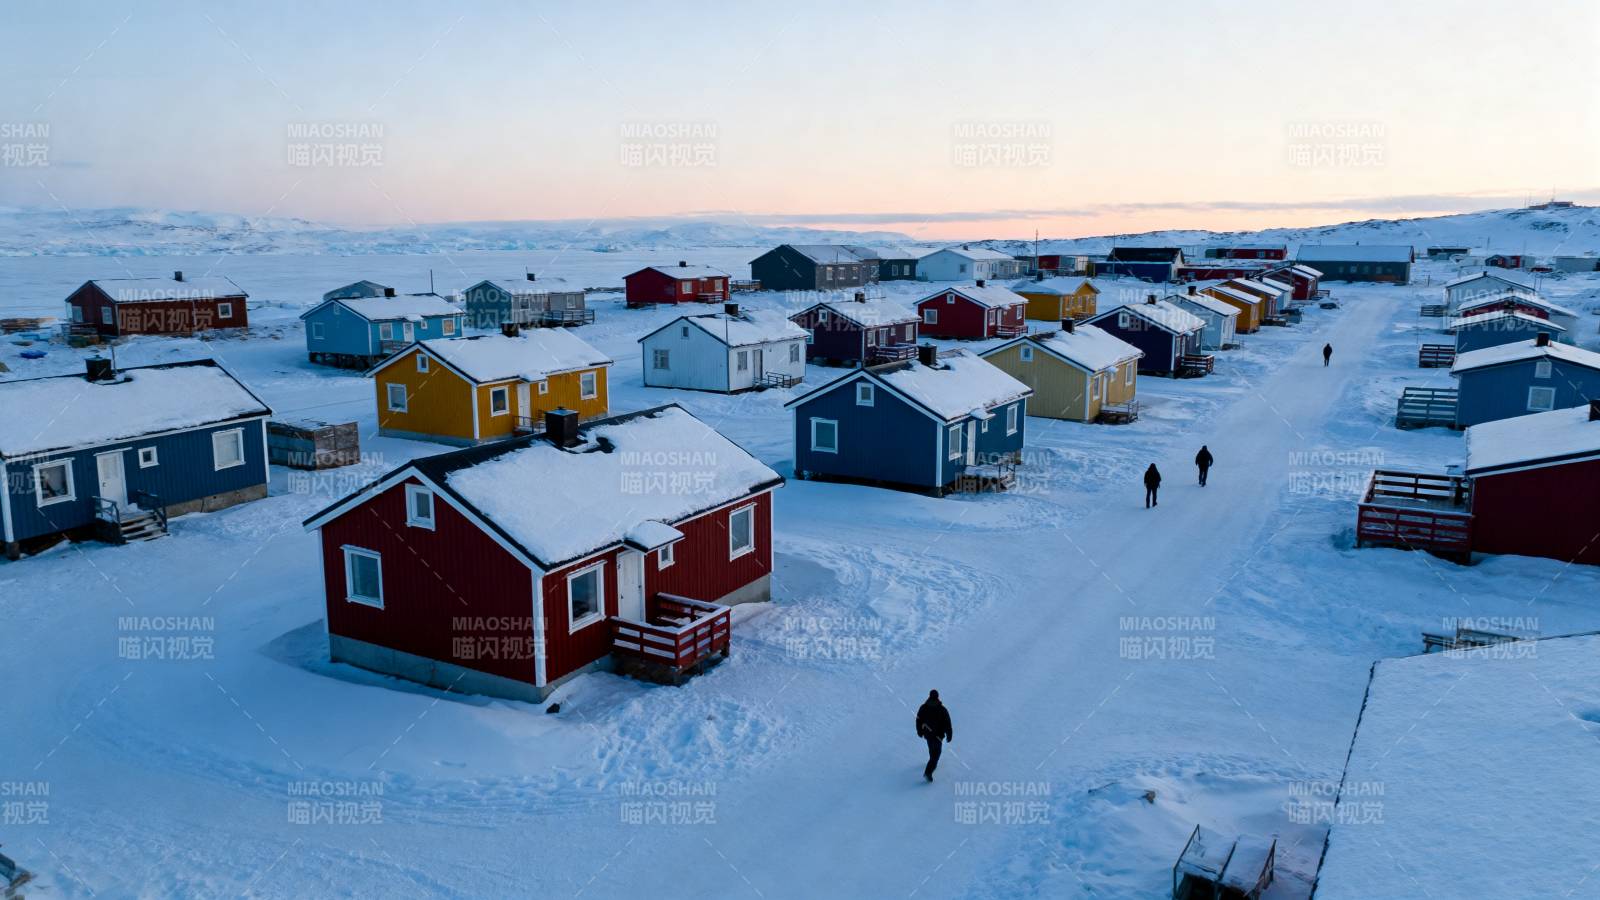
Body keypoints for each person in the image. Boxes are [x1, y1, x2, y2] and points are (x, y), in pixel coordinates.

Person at [915, 690, 953, 782]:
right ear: (937, 696)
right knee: (936, 754)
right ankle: (928, 771)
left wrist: (919, 731)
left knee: (932, 751)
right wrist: (949, 734)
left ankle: (932, 764)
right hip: (938, 736)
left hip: (928, 735)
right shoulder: (942, 709)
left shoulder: (923, 708)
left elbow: (918, 720)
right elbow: (947, 723)